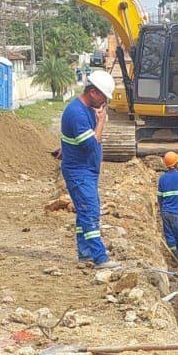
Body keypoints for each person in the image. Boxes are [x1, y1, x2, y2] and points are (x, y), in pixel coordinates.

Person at [59, 69, 116, 266]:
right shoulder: (77, 113)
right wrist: (101, 122)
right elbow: (91, 144)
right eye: (103, 97)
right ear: (93, 92)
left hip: (86, 171)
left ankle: (85, 253)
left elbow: (77, 138)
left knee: (85, 212)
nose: (105, 102)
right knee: (90, 212)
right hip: (79, 172)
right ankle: (100, 257)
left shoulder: (86, 109)